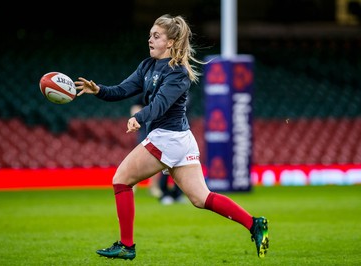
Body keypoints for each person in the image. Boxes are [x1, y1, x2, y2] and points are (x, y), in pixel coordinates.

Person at [74, 14, 269, 260]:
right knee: (201, 198)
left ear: (171, 42)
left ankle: (127, 245)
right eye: (149, 35)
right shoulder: (147, 66)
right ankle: (254, 224)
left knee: (121, 180)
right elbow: (122, 89)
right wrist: (98, 90)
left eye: (156, 36)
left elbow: (161, 104)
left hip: (169, 138)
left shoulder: (178, 74)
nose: (150, 40)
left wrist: (140, 117)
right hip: (179, 139)